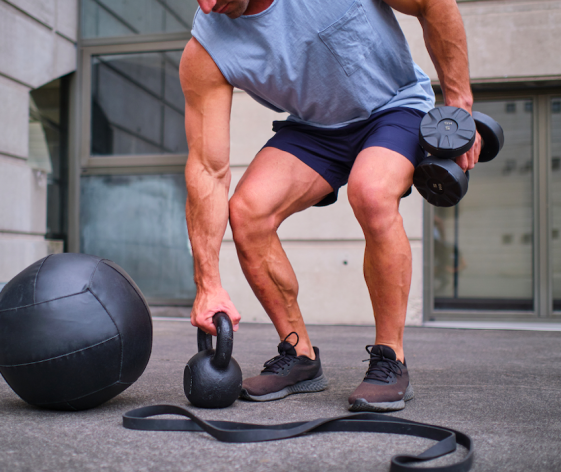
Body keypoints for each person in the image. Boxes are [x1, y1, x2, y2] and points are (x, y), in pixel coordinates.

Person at [180, 0, 481, 412]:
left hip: (393, 106)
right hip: (315, 129)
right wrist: (208, 285)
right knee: (248, 212)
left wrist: (458, 104)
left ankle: (391, 358)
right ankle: (299, 356)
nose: (209, 4)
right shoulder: (207, 49)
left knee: (371, 192)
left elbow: (433, 4)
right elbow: (207, 169)